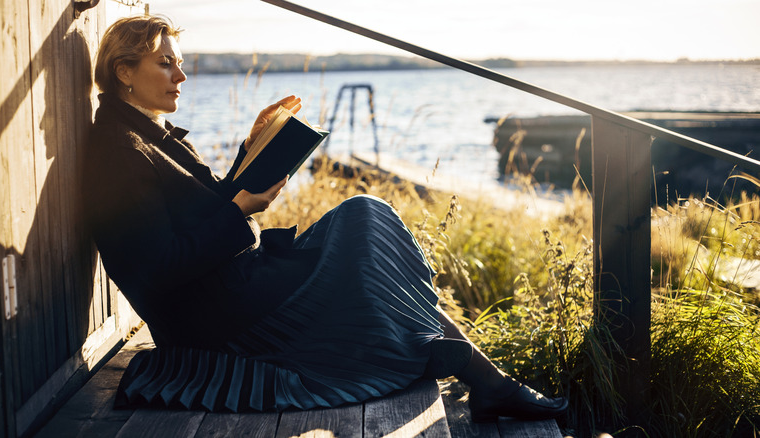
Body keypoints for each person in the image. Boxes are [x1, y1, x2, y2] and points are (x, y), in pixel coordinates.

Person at [83, 15, 568, 422]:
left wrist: (254, 150)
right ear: (124, 72)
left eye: (180, 64)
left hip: (235, 282)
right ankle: (485, 379)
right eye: (165, 64)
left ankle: (485, 379)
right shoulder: (118, 152)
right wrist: (239, 210)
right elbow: (159, 267)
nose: (180, 77)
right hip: (218, 314)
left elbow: (203, 208)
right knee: (363, 222)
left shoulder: (150, 133)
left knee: (364, 219)